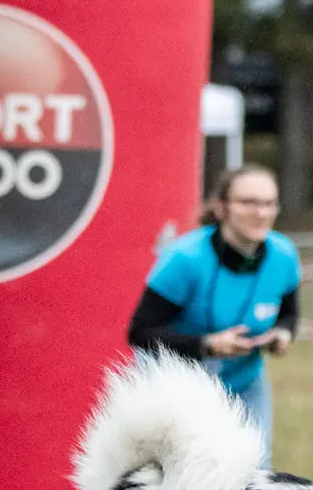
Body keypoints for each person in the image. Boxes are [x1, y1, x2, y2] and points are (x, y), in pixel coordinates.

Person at [128, 164, 299, 467]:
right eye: (249, 202)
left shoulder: (283, 256)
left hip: (243, 382)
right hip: (177, 384)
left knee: (252, 475)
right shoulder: (186, 258)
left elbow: (289, 315)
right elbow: (140, 332)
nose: (261, 213)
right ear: (221, 208)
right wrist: (207, 344)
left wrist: (281, 336)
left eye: (269, 203)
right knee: (181, 476)